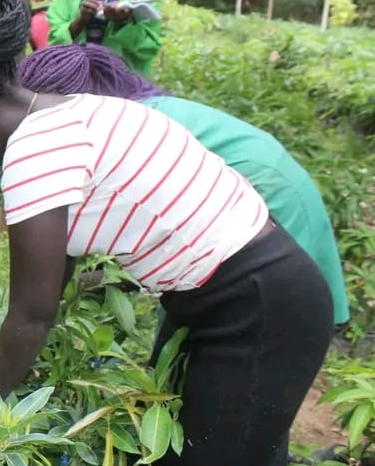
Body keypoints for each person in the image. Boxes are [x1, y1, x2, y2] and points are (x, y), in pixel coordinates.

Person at [0, 0, 332, 466]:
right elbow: (56, 279)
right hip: (232, 296)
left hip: (255, 307)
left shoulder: (33, 155)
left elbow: (30, 319)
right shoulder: (71, 109)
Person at [17, 43, 351, 327]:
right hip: (257, 183)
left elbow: (161, 232)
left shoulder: (122, 129)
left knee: (247, 325)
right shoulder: (119, 117)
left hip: (268, 193)